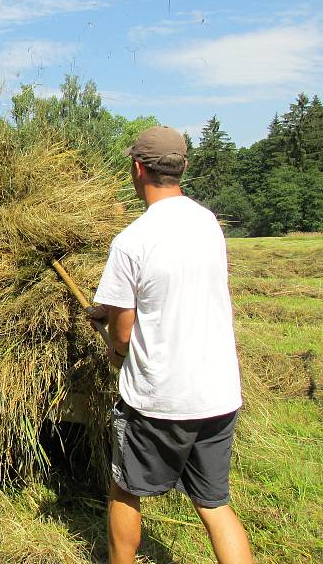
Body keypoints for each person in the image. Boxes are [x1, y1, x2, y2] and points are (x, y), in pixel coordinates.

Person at [89, 126, 253, 563]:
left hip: (160, 400)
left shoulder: (131, 242)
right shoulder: (208, 225)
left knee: (125, 489)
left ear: (137, 169)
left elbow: (122, 333)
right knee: (214, 503)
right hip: (218, 394)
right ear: (184, 167)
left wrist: (114, 349)